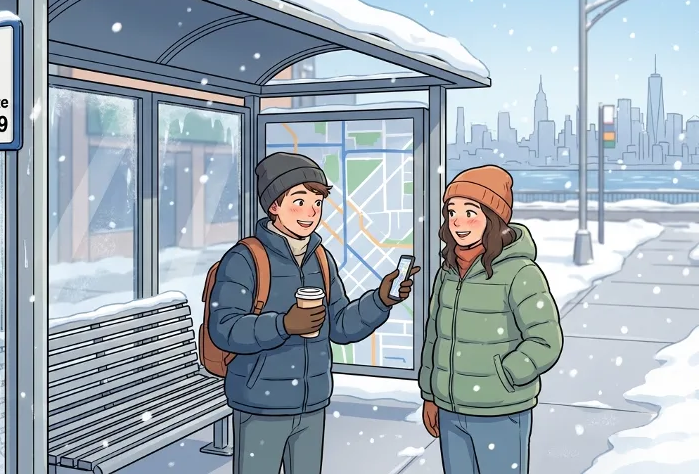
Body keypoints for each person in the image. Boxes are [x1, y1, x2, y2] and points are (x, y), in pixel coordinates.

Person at [207, 152, 419, 474]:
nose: (311, 212)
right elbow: (224, 329)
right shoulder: (245, 259)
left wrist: (380, 300)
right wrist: (283, 325)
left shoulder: (320, 258)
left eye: (317, 203)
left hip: (312, 401)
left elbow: (341, 326)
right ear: (274, 205)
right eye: (300, 201)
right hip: (260, 403)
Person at [418, 165, 563, 474]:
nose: (458, 222)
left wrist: (506, 375)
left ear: (493, 218)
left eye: (470, 212)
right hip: (450, 410)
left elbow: (545, 340)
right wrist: (430, 394)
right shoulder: (447, 271)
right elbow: (435, 336)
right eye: (452, 212)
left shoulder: (520, 273)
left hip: (500, 412)